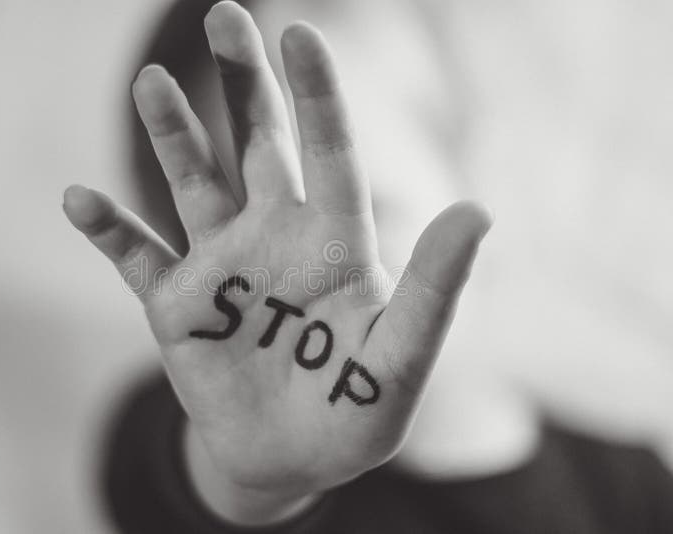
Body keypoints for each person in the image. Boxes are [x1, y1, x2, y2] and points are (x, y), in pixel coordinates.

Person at [62, 1, 673, 531]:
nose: (354, 175)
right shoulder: (206, 427)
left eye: (395, 105)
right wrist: (254, 483)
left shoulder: (627, 473)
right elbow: (185, 482)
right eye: (266, 141)